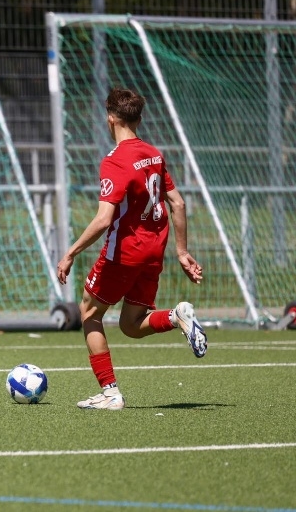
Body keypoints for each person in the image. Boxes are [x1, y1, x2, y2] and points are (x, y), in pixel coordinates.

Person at [56, 87, 207, 411]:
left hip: (124, 252)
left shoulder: (114, 161)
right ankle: (176, 316)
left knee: (89, 314)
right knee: (130, 325)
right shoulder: (154, 154)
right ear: (138, 119)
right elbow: (178, 204)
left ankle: (110, 393)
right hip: (154, 250)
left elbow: (103, 219)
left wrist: (70, 253)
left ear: (110, 118)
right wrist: (182, 252)